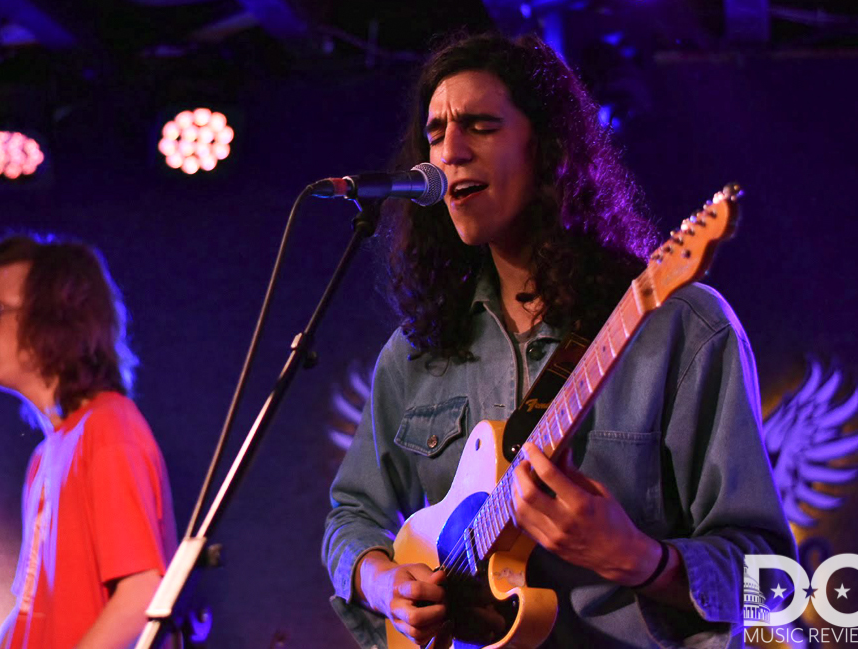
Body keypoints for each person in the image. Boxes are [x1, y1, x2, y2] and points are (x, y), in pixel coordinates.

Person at [321, 32, 795, 648]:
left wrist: (639, 559)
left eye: (481, 126)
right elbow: (351, 515)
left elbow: (773, 584)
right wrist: (383, 582)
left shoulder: (682, 327)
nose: (450, 151)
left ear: (549, 151)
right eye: (436, 133)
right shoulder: (417, 351)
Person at [0, 234, 178, 649]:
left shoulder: (110, 428)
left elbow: (141, 595)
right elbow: (30, 610)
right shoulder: (47, 454)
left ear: (56, 319)